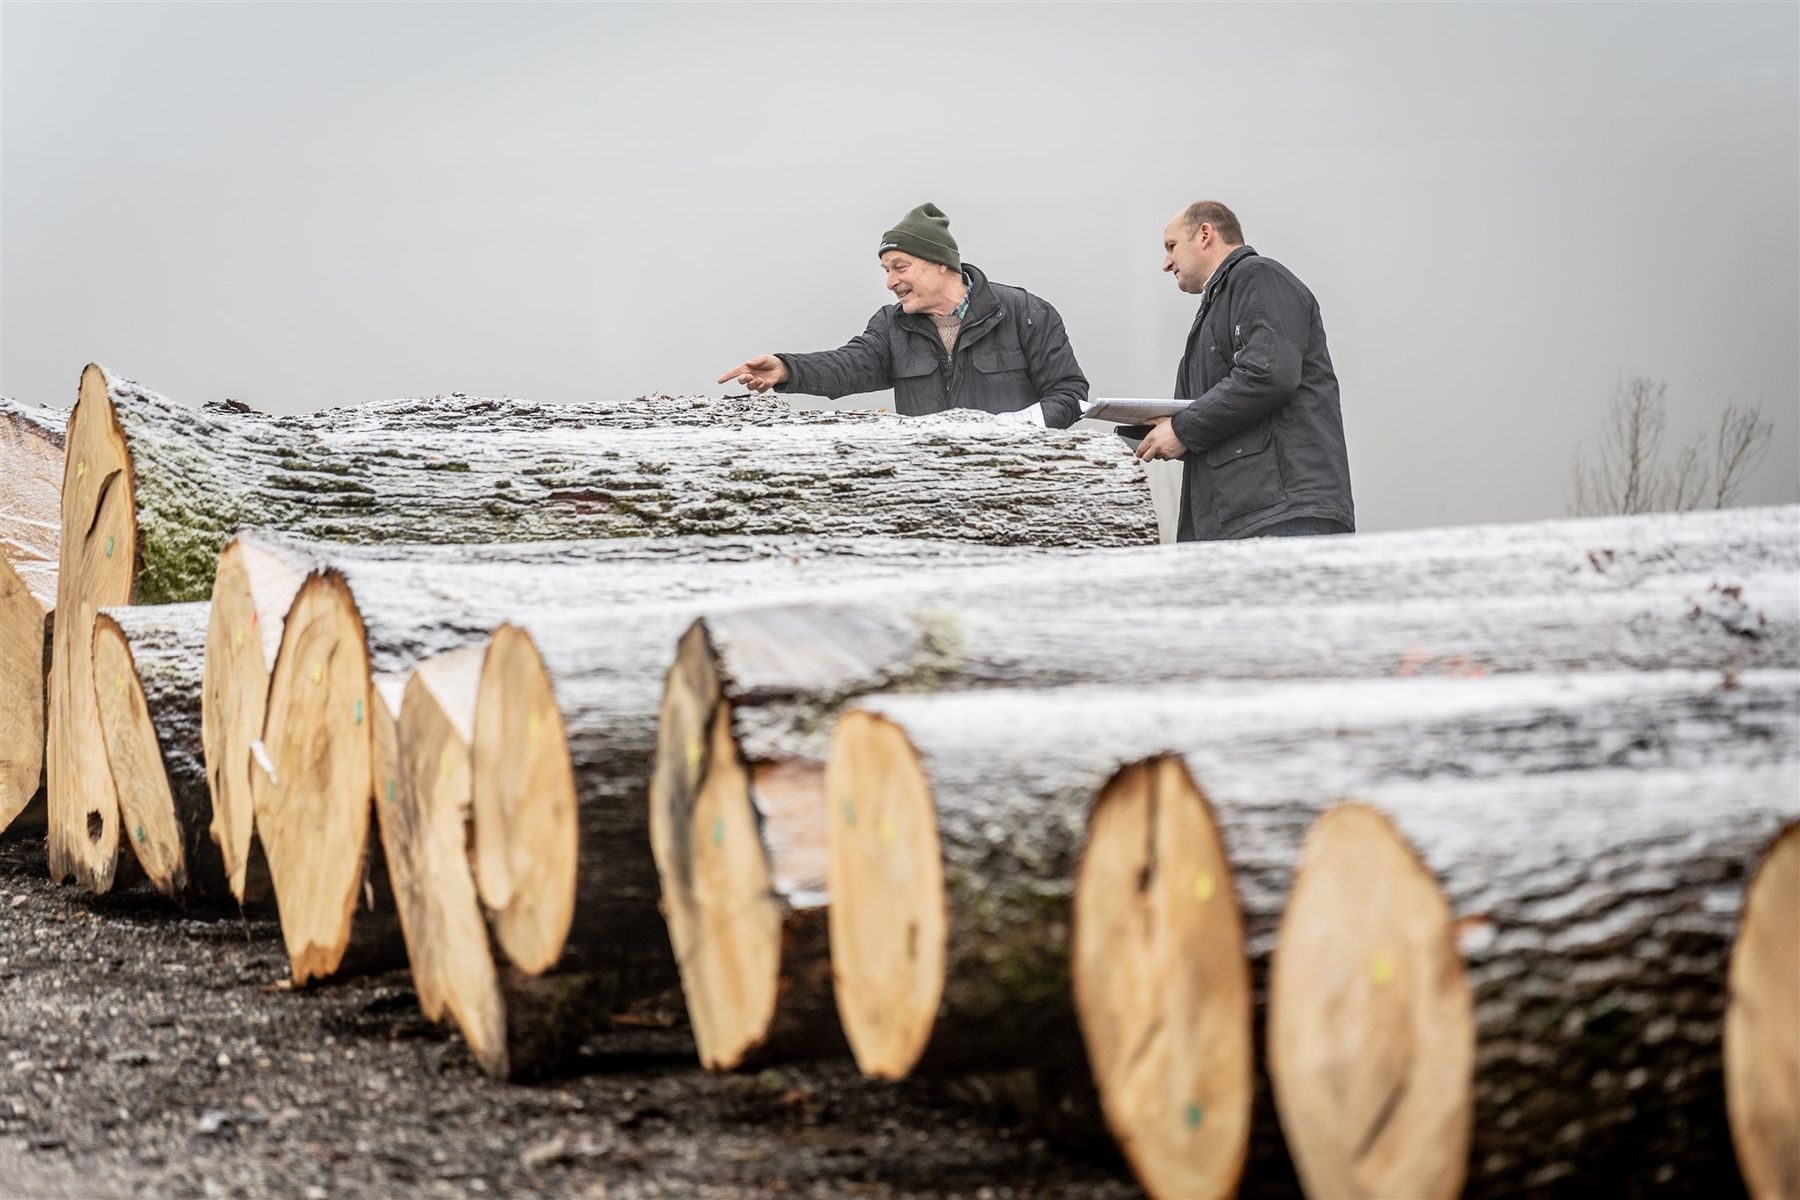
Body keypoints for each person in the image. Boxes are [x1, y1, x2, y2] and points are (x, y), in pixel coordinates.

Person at [717, 203, 1089, 428]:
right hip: (925, 484)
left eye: (900, 266)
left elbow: (1070, 396)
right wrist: (786, 368)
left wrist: (1007, 429)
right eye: (886, 271)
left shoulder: (1025, 313)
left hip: (1018, 481)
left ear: (942, 264)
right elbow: (847, 366)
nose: (891, 282)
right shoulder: (891, 326)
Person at [1136, 201, 1355, 541]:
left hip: (1280, 516)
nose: (1166, 263)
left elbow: (1269, 373)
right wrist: (1153, 428)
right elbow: (1201, 414)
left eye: (1171, 246)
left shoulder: (1259, 277)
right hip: (1237, 520)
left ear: (1205, 234)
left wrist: (1181, 430)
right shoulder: (1211, 315)